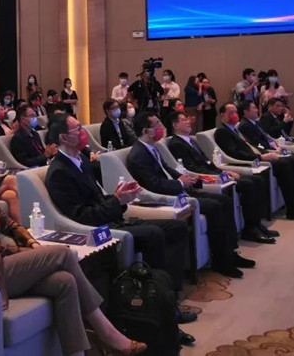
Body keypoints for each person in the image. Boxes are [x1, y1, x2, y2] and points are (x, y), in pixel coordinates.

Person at [0, 138, 146, 356]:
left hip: (0, 265)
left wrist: (31, 243)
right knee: (63, 253)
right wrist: (33, 253)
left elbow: (10, 224)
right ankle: (107, 332)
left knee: (65, 281)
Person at [44, 114, 191, 306]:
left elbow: (99, 198)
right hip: (98, 230)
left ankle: (171, 291)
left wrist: (121, 197)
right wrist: (116, 201)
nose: (83, 133)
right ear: (64, 137)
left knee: (176, 227)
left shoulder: (81, 160)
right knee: (153, 234)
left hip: (113, 219)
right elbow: (82, 216)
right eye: (78, 129)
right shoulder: (59, 172)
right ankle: (158, 301)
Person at [127, 112, 254, 279]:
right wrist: (180, 183)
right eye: (156, 124)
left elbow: (166, 169)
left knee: (224, 200)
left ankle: (229, 252)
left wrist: (183, 178)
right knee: (215, 206)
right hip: (168, 197)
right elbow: (153, 184)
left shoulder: (152, 147)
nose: (161, 127)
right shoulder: (138, 155)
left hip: (179, 190)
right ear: (146, 131)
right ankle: (221, 260)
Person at [166, 111, 276, 244]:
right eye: (184, 120)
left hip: (214, 172)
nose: (189, 121)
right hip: (207, 177)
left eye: (187, 119)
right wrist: (219, 176)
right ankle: (250, 229)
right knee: (248, 184)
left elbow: (208, 162)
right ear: (175, 125)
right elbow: (193, 169)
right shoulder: (176, 144)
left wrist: (225, 172)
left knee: (257, 180)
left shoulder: (192, 141)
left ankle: (257, 224)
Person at [214, 103, 294, 221]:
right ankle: (293, 209)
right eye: (231, 113)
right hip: (249, 161)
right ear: (222, 115)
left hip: (258, 155)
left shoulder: (235, 129)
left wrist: (265, 152)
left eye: (235, 112)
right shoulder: (222, 131)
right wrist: (260, 157)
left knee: (293, 160)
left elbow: (252, 145)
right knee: (284, 164)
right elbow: (235, 153)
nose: (234, 115)